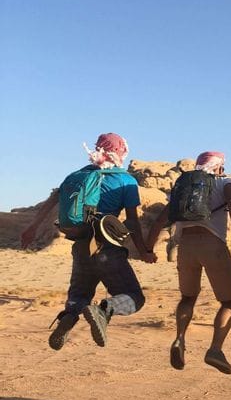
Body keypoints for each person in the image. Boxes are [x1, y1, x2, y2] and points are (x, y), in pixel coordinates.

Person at [21, 133, 156, 350]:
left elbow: (53, 199)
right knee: (134, 298)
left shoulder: (75, 176)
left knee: (79, 296)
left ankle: (69, 316)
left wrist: (32, 228)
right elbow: (132, 222)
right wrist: (144, 251)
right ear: (121, 152)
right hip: (107, 248)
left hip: (81, 247)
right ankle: (104, 309)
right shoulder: (125, 180)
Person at [147, 151, 231, 374]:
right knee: (229, 302)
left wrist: (148, 248)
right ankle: (215, 349)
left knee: (188, 297)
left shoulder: (185, 186)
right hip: (212, 244)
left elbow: (160, 220)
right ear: (220, 166)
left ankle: (179, 339)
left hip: (186, 246)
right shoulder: (225, 181)